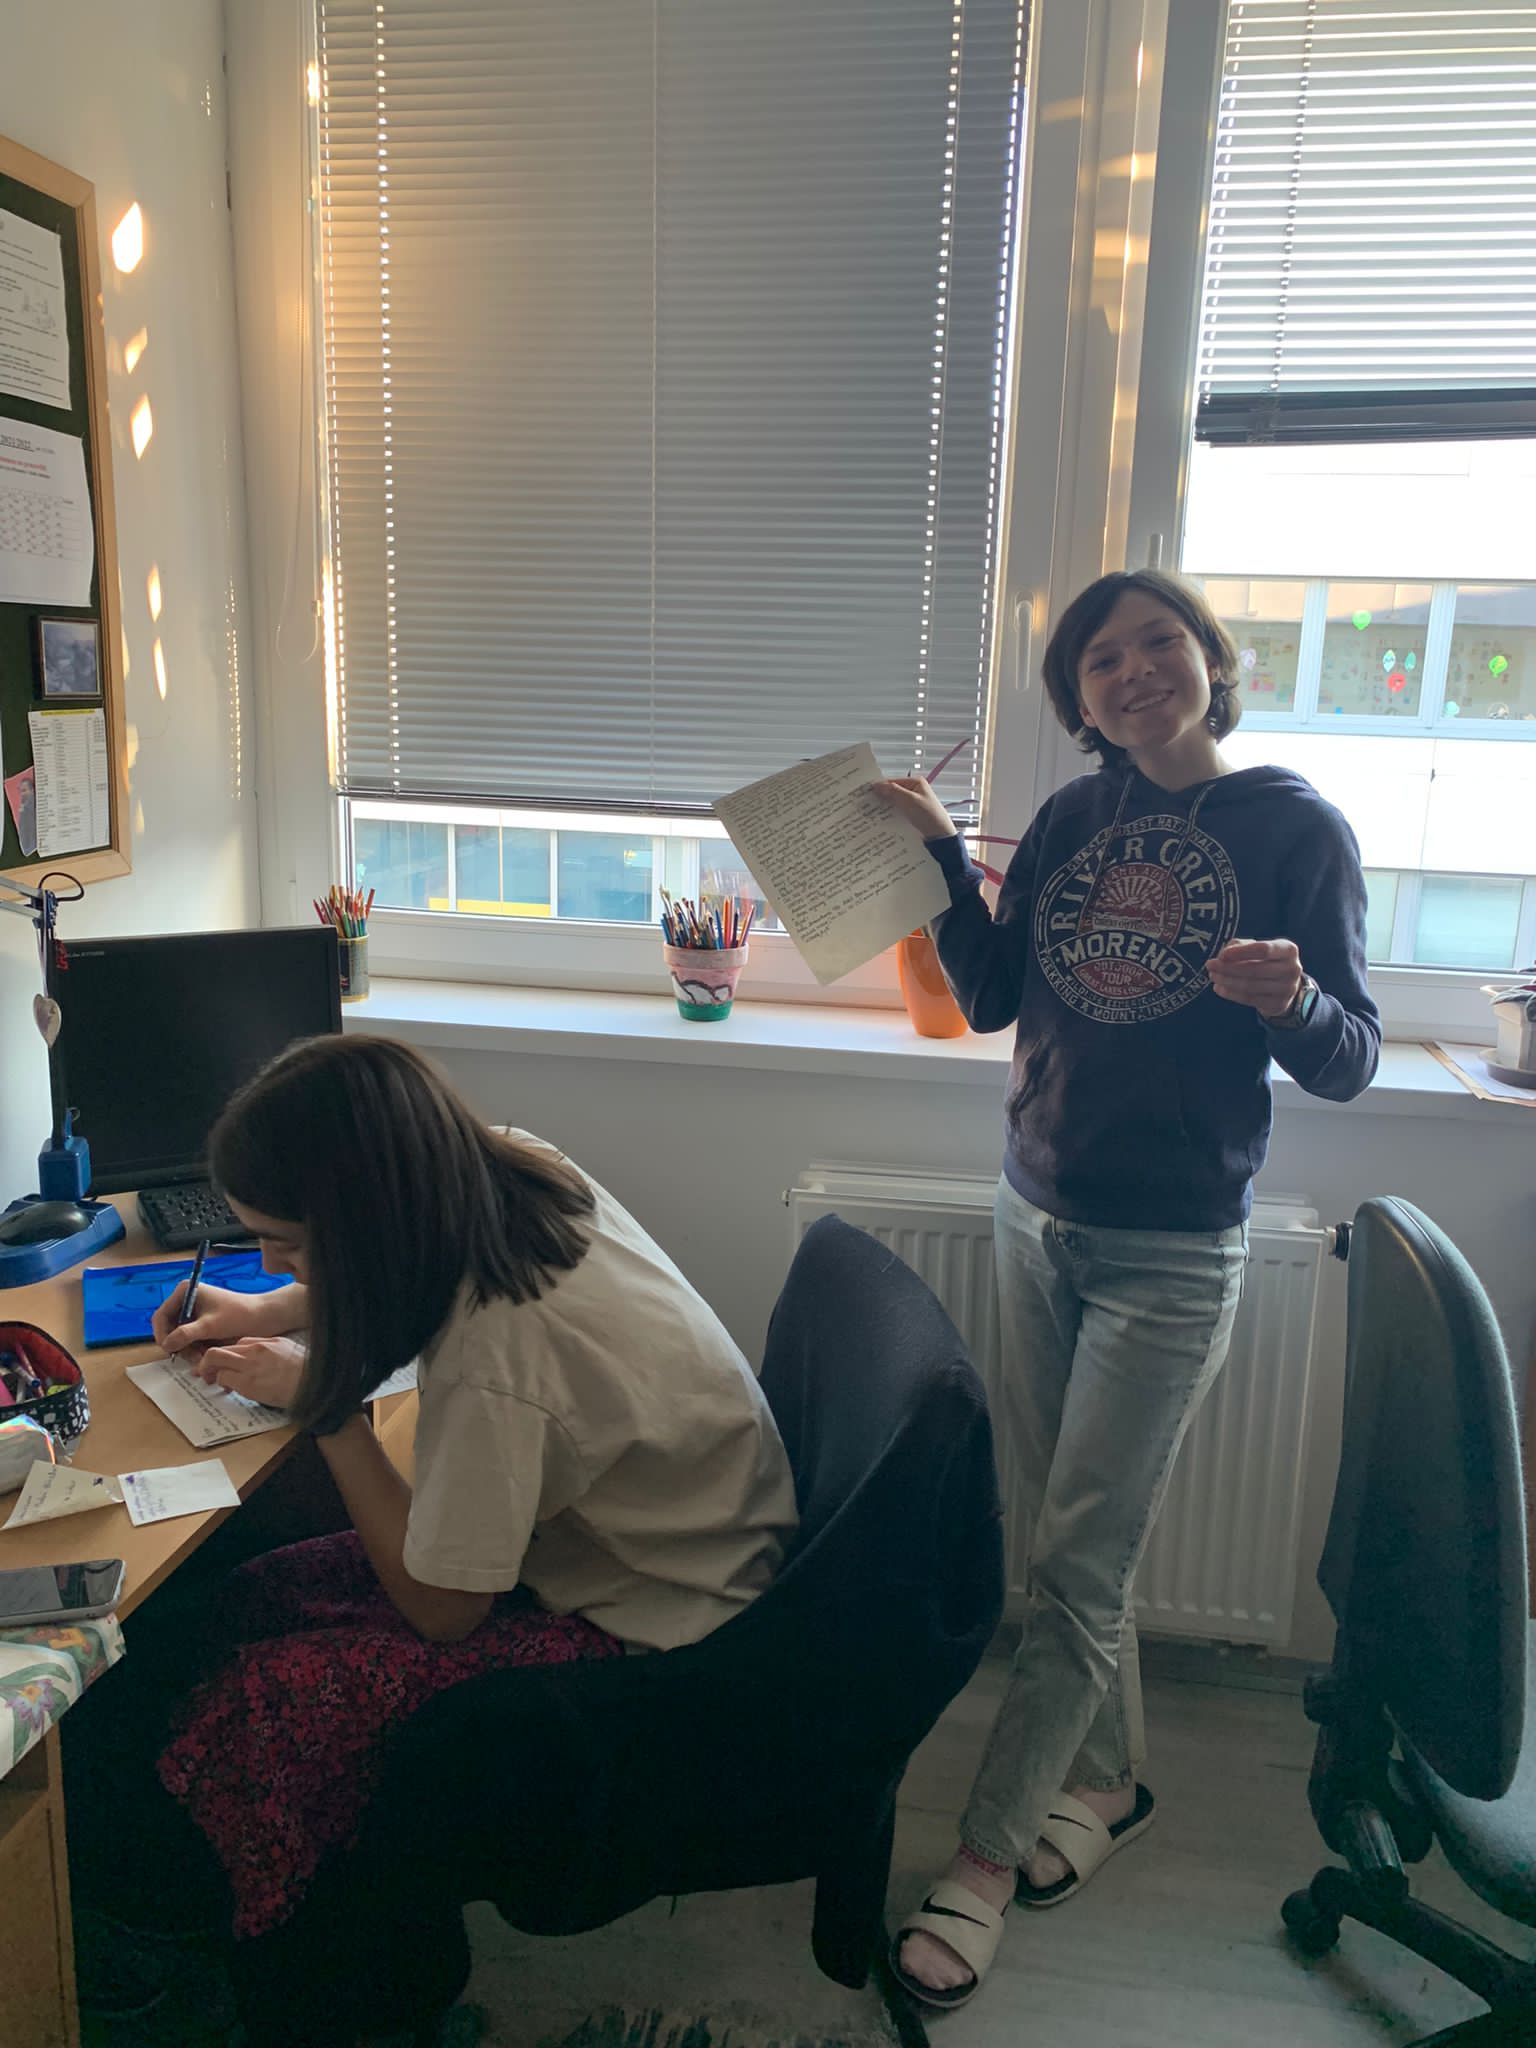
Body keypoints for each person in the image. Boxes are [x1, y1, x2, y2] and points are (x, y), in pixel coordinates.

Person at [878, 569, 1380, 2008]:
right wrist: (936, 855)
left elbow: (1351, 1057)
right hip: (1034, 1213)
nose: (1135, 669)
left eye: (1161, 641)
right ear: (1079, 699)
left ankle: (983, 1860)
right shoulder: (1069, 820)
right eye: (1102, 659)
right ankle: (1107, 1781)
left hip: (1173, 1250)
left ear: (1212, 660)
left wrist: (1294, 999)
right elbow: (988, 993)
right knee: (1073, 1546)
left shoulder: (1295, 827)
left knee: (1077, 1568)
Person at [74, 1033, 797, 1963]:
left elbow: (444, 1612)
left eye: (287, 1245)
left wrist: (327, 1406)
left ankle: (321, 1952)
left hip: (664, 1633)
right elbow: (401, 1265)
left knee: (261, 1702)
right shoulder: (510, 1166)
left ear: (361, 1227)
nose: (271, 1260)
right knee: (252, 1594)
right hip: (659, 1539)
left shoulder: (500, 1355)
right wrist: (266, 1310)